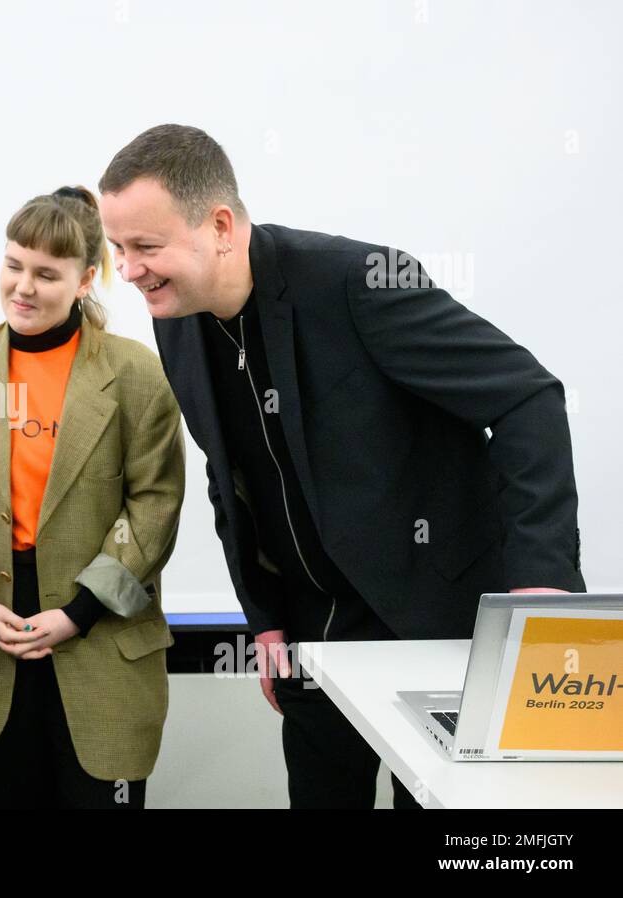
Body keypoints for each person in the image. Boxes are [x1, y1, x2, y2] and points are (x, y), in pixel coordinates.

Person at [97, 124, 585, 808]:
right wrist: (263, 616)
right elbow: (226, 472)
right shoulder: (174, 317)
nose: (129, 270)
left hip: (442, 626)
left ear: (220, 226)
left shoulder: (358, 283)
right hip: (314, 639)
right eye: (118, 248)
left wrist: (541, 580)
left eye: (146, 247)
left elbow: (526, 398)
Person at [0, 186, 186, 808]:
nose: (23, 287)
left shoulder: (135, 373)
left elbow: (155, 505)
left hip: (101, 636)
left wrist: (79, 611)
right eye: (13, 266)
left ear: (86, 279)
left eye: (45, 274)